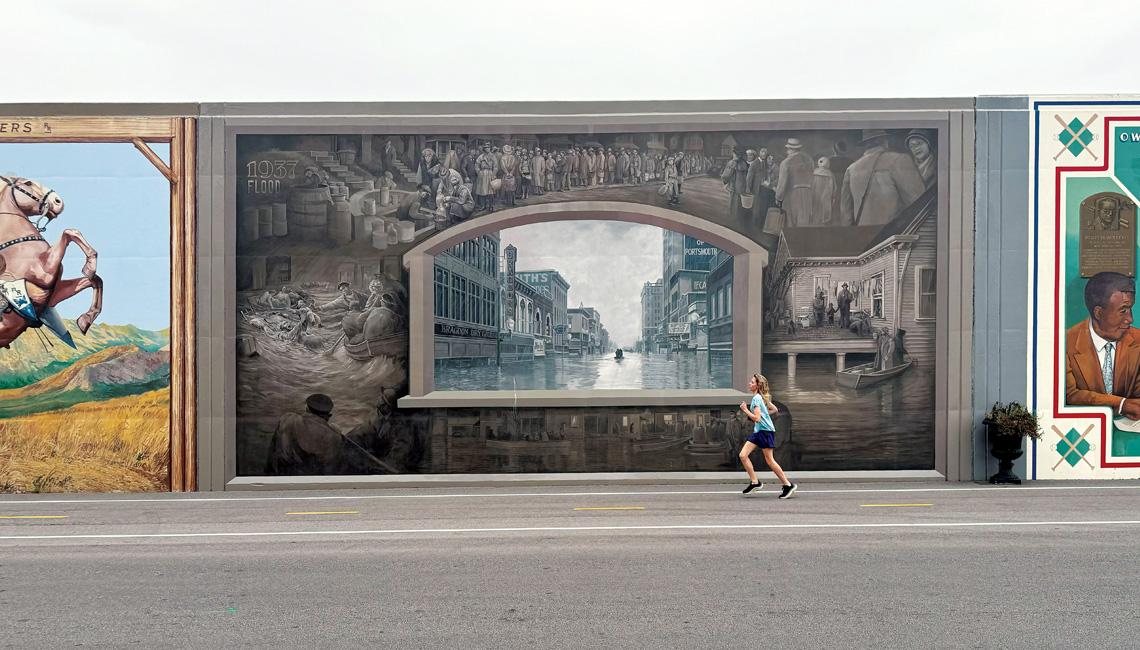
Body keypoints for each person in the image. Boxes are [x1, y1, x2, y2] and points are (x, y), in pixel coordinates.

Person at [840, 129, 925, 227]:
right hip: (892, 236)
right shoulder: (900, 160)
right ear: (884, 141)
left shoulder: (851, 169)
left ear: (865, 145)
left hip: (862, 236)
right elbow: (919, 203)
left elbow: (846, 214)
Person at [738, 373, 797, 498]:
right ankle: (755, 482)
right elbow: (774, 409)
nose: (750, 383)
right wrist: (765, 416)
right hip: (759, 432)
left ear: (758, 385)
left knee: (770, 461)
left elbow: (757, 418)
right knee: (743, 455)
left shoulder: (757, 399)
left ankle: (788, 485)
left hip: (765, 432)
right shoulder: (761, 397)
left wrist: (745, 410)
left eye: (752, 382)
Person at [266, 394, 344, 475]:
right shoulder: (335, 438)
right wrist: (335, 432)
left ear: (307, 408)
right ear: (329, 416)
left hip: (281, 475)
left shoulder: (288, 419)